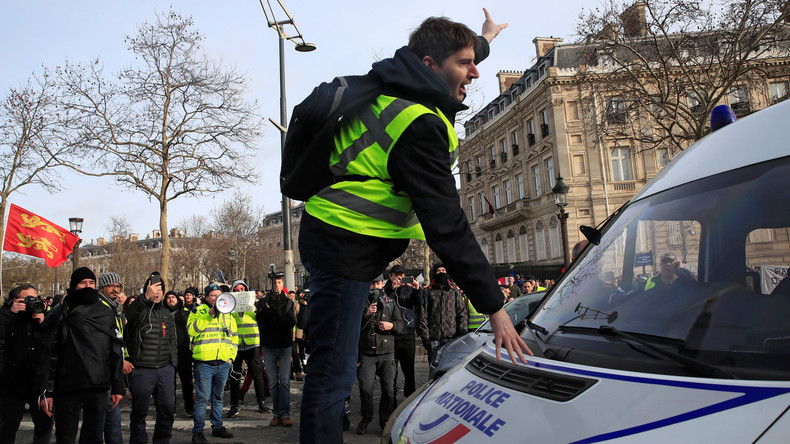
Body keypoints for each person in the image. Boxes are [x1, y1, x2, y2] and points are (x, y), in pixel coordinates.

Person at [297, 10, 531, 443]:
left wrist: (484, 38)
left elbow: (453, 54)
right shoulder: (419, 123)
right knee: (332, 374)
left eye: (473, 59)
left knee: (335, 367)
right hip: (342, 245)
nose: (475, 71)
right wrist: (496, 309)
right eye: (465, 63)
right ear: (429, 66)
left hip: (339, 238)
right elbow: (447, 227)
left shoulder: (400, 84)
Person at [39, 267, 125, 444]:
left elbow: (115, 350)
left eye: (91, 283)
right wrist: (47, 389)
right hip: (67, 383)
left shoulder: (105, 311)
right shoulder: (60, 312)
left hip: (98, 383)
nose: (87, 286)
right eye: (82, 283)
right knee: (65, 435)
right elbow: (50, 354)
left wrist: (117, 386)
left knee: (94, 435)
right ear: (73, 285)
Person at [124, 272, 178, 444]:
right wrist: (144, 298)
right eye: (153, 288)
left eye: (160, 289)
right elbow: (129, 316)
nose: (157, 292)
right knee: (139, 411)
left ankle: (162, 440)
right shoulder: (139, 310)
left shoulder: (166, 314)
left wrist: (172, 366)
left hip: (164, 369)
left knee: (167, 409)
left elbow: (172, 341)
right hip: (142, 368)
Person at [0, 284, 54, 444]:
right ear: (14, 301)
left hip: (37, 382)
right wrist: (12, 315)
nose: (31, 302)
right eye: (26, 299)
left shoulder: (42, 317)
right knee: (7, 427)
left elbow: (51, 349)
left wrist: (43, 324)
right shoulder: (6, 317)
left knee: (45, 424)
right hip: (11, 383)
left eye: (34, 299)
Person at [188, 284, 237, 443]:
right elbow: (191, 330)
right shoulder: (198, 311)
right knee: (202, 398)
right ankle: (198, 432)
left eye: (219, 295)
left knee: (219, 397)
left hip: (223, 362)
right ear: (206, 297)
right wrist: (209, 316)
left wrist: (231, 357)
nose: (216, 298)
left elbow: (234, 337)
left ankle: (217, 426)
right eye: (213, 296)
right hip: (204, 363)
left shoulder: (228, 312)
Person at [356, 279, 403, 435]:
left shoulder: (390, 302)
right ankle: (366, 417)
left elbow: (400, 324)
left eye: (378, 284)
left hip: (387, 352)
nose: (375, 288)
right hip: (367, 353)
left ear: (383, 284)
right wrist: (367, 313)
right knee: (365, 388)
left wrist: (392, 326)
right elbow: (354, 327)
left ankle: (384, 420)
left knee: (389, 390)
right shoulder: (361, 302)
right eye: (372, 284)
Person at [256, 274, 297, 427]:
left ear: (282, 284)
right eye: (275, 283)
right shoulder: (264, 301)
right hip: (269, 345)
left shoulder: (288, 302)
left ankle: (285, 413)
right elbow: (260, 319)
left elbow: (290, 322)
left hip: (284, 346)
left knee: (285, 381)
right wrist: (272, 315)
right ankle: (276, 413)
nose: (277, 286)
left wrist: (273, 315)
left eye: (279, 283)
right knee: (273, 382)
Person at [96, 271, 132, 444]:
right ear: (102, 287)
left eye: (118, 286)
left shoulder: (115, 309)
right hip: (104, 369)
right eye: (112, 286)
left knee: (112, 416)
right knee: (108, 418)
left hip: (114, 367)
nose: (116, 290)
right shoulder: (101, 308)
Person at [227, 280, 269, 417]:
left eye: (242, 290)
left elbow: (262, 320)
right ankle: (234, 404)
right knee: (235, 375)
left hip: (252, 344)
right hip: (236, 345)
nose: (239, 292)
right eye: (237, 290)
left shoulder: (254, 305)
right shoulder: (229, 307)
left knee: (257, 374)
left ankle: (261, 402)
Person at [385, 265, 422, 405]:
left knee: (409, 370)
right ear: (391, 276)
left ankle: (410, 397)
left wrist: (417, 290)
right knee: (391, 373)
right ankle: (391, 400)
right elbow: (385, 303)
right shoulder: (387, 289)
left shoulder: (409, 288)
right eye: (397, 275)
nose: (400, 277)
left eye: (402, 275)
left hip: (407, 334)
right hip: (391, 335)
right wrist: (392, 290)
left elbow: (419, 303)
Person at [418, 264, 468, 364]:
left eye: (443, 270)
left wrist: (461, 332)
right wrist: (425, 337)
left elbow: (462, 313)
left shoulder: (454, 292)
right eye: (438, 271)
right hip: (433, 338)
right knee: (434, 368)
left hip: (451, 338)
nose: (441, 272)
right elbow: (423, 315)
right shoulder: (428, 292)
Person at [165, 290, 194, 417]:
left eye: (173, 297)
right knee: (169, 383)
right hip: (167, 353)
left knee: (187, 382)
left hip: (184, 352)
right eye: (168, 298)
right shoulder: (163, 314)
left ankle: (189, 407)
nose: (171, 300)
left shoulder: (185, 314)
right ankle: (171, 407)